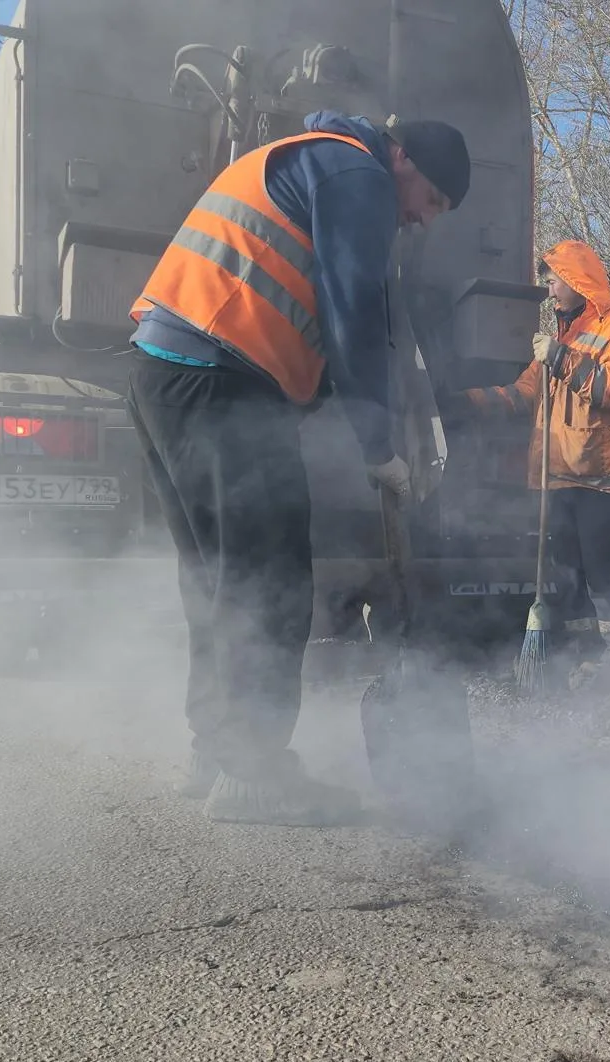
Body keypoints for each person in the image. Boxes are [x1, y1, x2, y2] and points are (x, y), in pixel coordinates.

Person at [126, 110, 469, 826]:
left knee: (217, 577)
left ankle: (215, 750)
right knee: (270, 579)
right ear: (403, 159)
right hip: (219, 380)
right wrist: (379, 448)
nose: (426, 219)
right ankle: (252, 775)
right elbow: (351, 322)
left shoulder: (311, 160)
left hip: (167, 373)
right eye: (432, 199)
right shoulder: (357, 173)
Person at [454, 240, 610, 685]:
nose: (548, 289)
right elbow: (524, 392)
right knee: (569, 578)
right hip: (560, 480)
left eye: (554, 279)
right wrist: (465, 402)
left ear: (578, 280)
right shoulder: (561, 339)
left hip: (603, 482)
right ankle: (585, 653)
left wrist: (561, 358)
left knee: (608, 576)